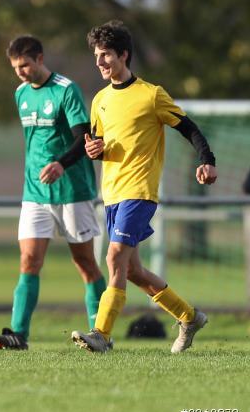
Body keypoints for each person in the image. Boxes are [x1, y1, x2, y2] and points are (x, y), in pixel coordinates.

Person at [72, 20, 217, 353]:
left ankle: (102, 334)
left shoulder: (152, 95)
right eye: (96, 56)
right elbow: (98, 143)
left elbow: (190, 129)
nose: (100, 63)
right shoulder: (100, 100)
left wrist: (207, 159)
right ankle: (189, 316)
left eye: (106, 55)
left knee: (114, 256)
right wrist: (95, 149)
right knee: (133, 271)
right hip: (112, 193)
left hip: (140, 191)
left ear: (124, 55)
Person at [0, 36, 106, 351]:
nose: (21, 72)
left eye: (25, 65)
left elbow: (83, 139)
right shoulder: (21, 93)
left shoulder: (67, 90)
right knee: (29, 260)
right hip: (35, 192)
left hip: (72, 190)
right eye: (15, 67)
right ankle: (18, 334)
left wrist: (60, 165)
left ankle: (100, 332)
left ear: (39, 59)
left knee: (84, 262)